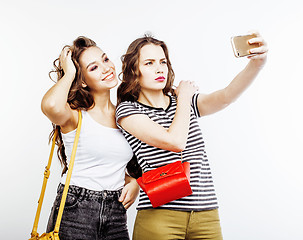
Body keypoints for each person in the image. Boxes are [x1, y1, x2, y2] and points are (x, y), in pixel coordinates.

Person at [115, 32, 268, 240]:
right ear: (134, 70)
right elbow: (174, 142)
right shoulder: (128, 111)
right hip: (160, 216)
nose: (160, 68)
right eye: (149, 63)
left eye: (163, 61)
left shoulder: (183, 102)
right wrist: (184, 97)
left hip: (206, 214)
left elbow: (225, 97)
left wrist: (256, 64)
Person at [41, 36, 139, 240]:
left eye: (105, 59)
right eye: (94, 68)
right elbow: (50, 106)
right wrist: (69, 74)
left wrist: (133, 182)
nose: (106, 68)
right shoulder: (74, 115)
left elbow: (111, 164)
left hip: (116, 213)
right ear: (82, 80)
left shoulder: (125, 115)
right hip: (76, 210)